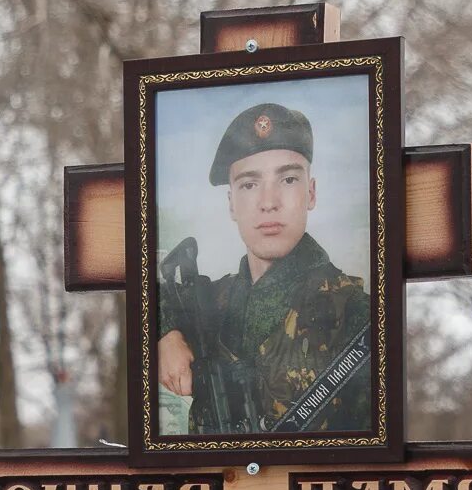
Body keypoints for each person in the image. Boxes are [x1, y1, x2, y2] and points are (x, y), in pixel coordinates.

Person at [156, 100, 372, 436]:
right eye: (249, 184)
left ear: (310, 193)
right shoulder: (209, 302)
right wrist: (166, 334)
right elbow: (142, 295)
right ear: (231, 204)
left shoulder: (357, 313)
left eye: (287, 179)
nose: (268, 202)